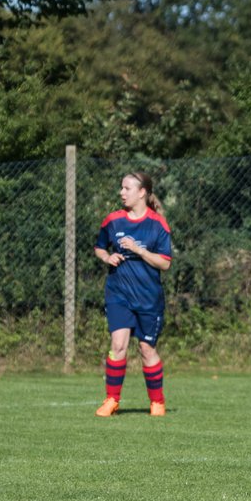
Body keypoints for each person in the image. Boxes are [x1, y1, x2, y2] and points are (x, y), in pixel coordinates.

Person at [93, 172, 173, 417]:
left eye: (127, 188)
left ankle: (157, 402)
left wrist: (139, 250)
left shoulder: (157, 224)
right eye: (121, 188)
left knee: (146, 349)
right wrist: (108, 256)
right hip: (119, 294)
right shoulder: (114, 220)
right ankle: (111, 400)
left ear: (142, 192)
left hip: (148, 298)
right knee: (118, 345)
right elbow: (99, 247)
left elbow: (165, 263)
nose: (122, 193)